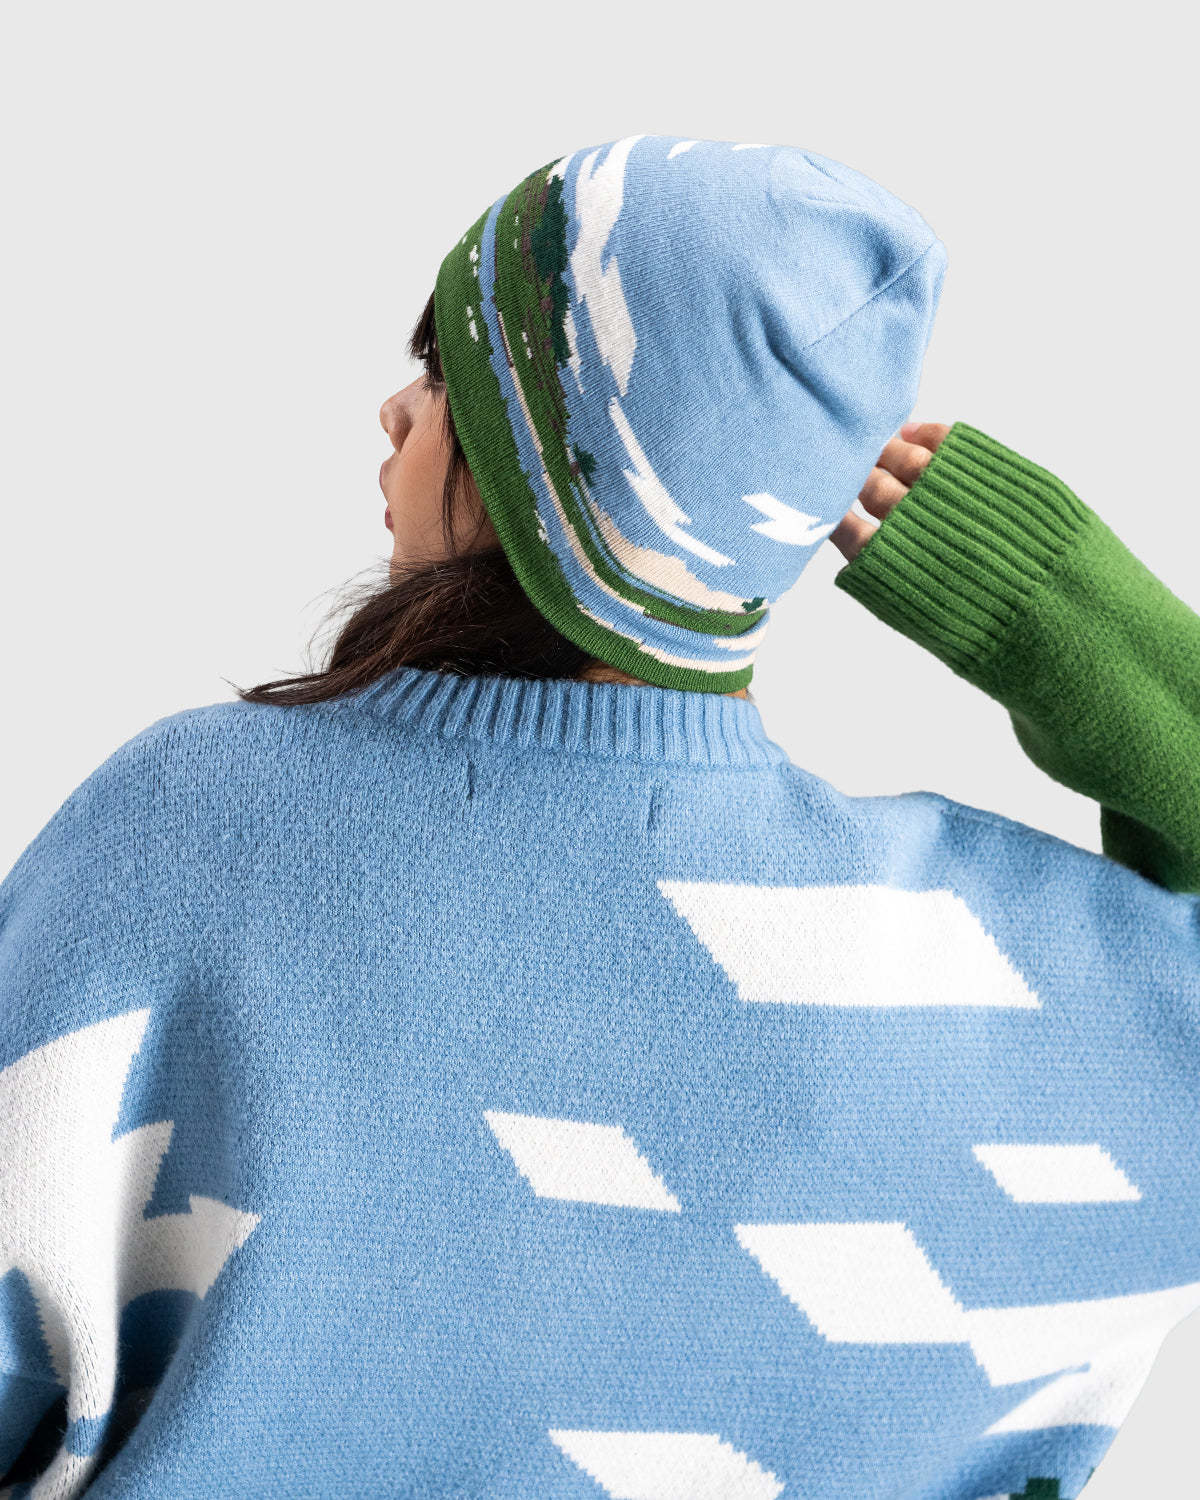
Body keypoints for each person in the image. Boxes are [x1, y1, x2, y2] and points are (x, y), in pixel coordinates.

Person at [1, 135, 1197, 1500]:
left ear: (549, 460)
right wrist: (1058, 613)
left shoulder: (198, 825)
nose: (398, 410)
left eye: (449, 373)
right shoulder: (990, 977)